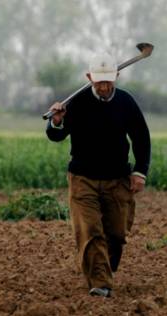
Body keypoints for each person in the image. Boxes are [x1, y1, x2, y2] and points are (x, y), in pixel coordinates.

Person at [45, 51, 151, 298]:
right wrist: (57, 121)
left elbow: (141, 138)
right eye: (99, 81)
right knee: (90, 231)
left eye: (109, 80)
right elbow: (56, 135)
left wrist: (140, 172)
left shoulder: (126, 103)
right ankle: (100, 282)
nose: (104, 86)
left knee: (116, 234)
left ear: (117, 76)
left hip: (117, 180)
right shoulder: (76, 104)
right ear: (89, 77)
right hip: (83, 179)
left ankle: (104, 269)